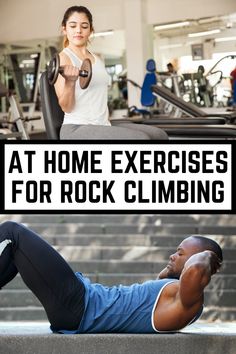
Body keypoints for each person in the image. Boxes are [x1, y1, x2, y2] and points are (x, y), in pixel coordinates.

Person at [0, 221, 222, 334]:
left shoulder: (189, 301)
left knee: (12, 232)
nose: (173, 255)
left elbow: (194, 272)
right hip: (80, 305)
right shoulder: (173, 295)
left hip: (80, 306)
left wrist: (209, 255)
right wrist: (173, 267)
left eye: (181, 253)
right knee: (14, 252)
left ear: (200, 260)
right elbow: (166, 278)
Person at [54, 6, 168, 140]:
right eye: (73, 26)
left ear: (91, 30)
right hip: (76, 128)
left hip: (102, 125)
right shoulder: (63, 58)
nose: (78, 30)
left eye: (84, 26)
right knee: (141, 139)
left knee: (159, 135)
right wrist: (70, 82)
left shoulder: (97, 58)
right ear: (64, 29)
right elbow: (66, 107)